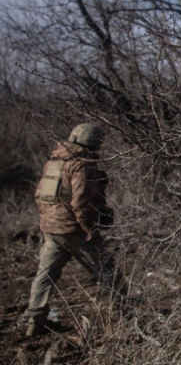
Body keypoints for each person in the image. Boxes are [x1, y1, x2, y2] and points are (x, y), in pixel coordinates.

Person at [23, 123, 126, 337]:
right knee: (108, 271)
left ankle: (35, 320)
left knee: (44, 276)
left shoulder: (54, 162)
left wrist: (48, 220)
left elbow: (39, 196)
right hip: (75, 230)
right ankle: (128, 313)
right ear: (94, 143)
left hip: (51, 229)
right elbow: (82, 205)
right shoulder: (82, 165)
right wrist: (91, 230)